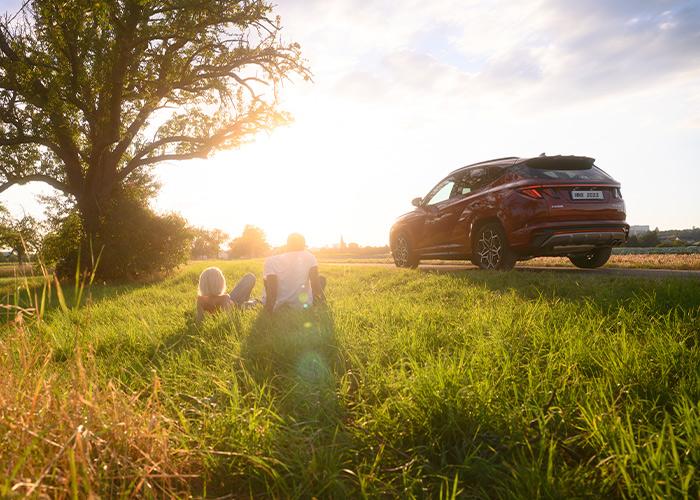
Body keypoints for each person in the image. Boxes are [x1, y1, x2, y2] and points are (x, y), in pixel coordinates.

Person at [263, 233, 325, 313]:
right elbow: (315, 285)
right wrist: (324, 304)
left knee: (322, 279)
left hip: (278, 307)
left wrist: (269, 311)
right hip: (302, 306)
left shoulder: (270, 260)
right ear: (304, 245)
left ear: (287, 245)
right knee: (321, 279)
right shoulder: (310, 257)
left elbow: (271, 290)